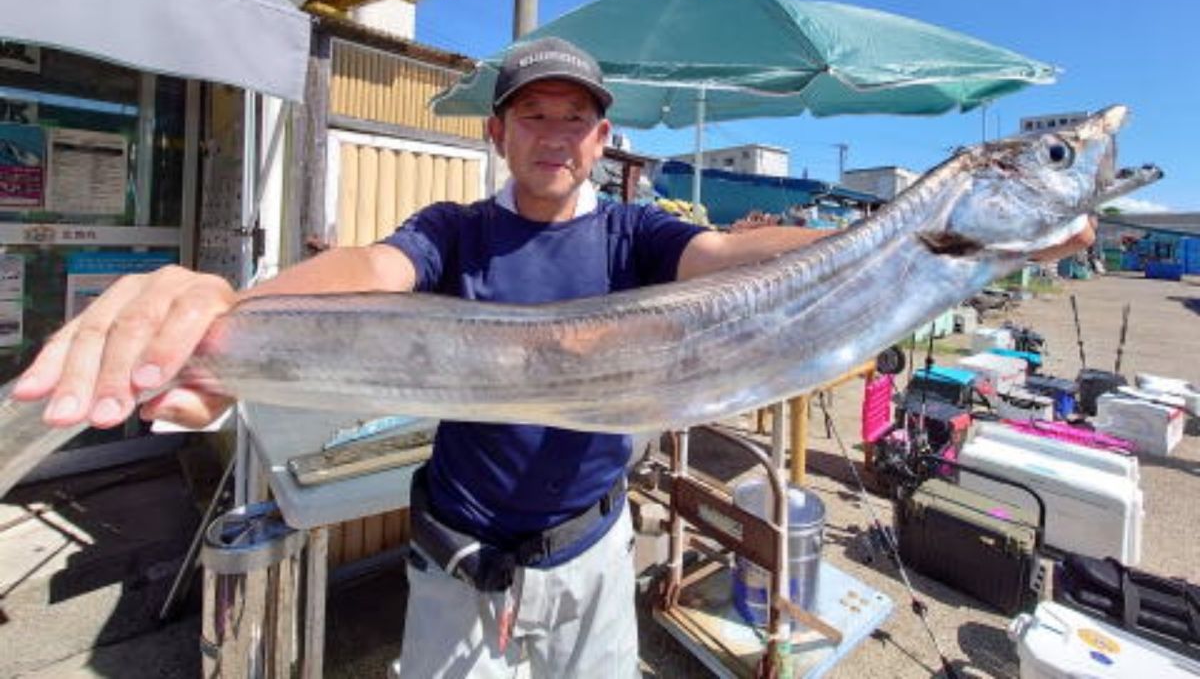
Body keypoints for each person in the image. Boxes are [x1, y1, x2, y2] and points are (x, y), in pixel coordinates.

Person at [10, 36, 1095, 677]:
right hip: (458, 571)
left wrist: (917, 239)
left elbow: (742, 254)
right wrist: (220, 310)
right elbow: (372, 274)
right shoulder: (454, 233)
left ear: (600, 140)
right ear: (500, 134)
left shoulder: (639, 237)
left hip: (593, 563)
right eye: (535, 115)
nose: (556, 135)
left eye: (578, 120)